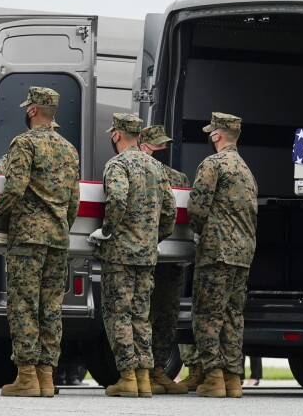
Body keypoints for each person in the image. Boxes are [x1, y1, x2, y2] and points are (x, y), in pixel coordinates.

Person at [0, 87, 80, 398]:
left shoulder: (25, 143)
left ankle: (27, 376)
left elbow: (14, 189)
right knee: (50, 308)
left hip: (29, 239)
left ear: (32, 110)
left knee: (23, 306)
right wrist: (60, 227)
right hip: (58, 239)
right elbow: (74, 202)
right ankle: (47, 376)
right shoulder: (69, 149)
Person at [88, 113, 176, 398]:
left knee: (118, 314)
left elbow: (116, 200)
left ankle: (127, 376)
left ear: (116, 135)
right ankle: (144, 378)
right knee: (141, 315)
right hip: (147, 256)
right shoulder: (156, 167)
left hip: (120, 255)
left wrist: (106, 231)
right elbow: (170, 213)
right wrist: (153, 239)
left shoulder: (117, 164)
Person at [188, 112, 258, 398]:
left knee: (207, 315)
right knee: (233, 316)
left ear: (216, 135)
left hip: (217, 252)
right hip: (243, 254)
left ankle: (213, 377)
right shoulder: (246, 169)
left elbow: (197, 209)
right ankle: (233, 379)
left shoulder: (213, 165)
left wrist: (197, 231)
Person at [138, 125, 189, 395]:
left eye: (164, 145)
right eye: (157, 144)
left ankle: (157, 370)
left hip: (169, 257)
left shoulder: (178, 176)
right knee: (145, 314)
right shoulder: (141, 172)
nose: (162, 149)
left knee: (167, 315)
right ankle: (144, 370)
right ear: (143, 145)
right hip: (150, 255)